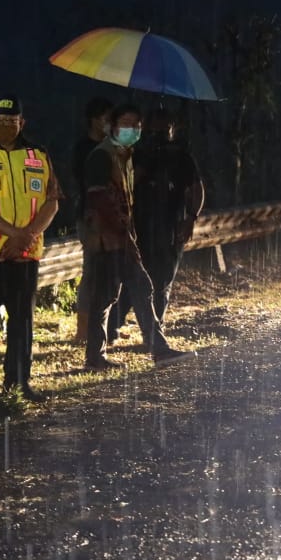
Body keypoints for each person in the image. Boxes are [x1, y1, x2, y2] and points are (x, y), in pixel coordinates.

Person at [0, 95, 63, 407]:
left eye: (10, 121)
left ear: (22, 123)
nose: (3, 127)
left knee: (23, 323)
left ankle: (19, 382)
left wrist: (26, 236)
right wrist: (14, 234)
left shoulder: (39, 155)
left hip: (24, 254)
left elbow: (52, 200)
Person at [81, 103, 194, 370]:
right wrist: (122, 233)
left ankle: (98, 357)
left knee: (111, 295)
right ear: (112, 126)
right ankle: (157, 350)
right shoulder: (103, 156)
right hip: (108, 238)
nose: (131, 130)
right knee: (132, 289)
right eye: (126, 124)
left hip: (117, 237)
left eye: (136, 125)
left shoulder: (124, 156)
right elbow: (99, 199)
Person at [111, 107, 206, 333]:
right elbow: (124, 186)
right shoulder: (136, 153)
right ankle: (114, 325)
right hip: (139, 225)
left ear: (173, 130)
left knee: (162, 278)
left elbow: (196, 188)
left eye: (165, 129)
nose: (161, 133)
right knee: (130, 276)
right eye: (155, 129)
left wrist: (191, 217)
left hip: (170, 227)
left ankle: (155, 329)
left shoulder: (181, 156)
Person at [72, 97, 113, 342]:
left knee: (109, 274)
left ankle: (105, 328)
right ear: (94, 120)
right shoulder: (83, 149)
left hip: (113, 217)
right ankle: (83, 329)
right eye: (106, 119)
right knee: (91, 273)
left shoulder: (114, 146)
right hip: (90, 216)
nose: (109, 124)